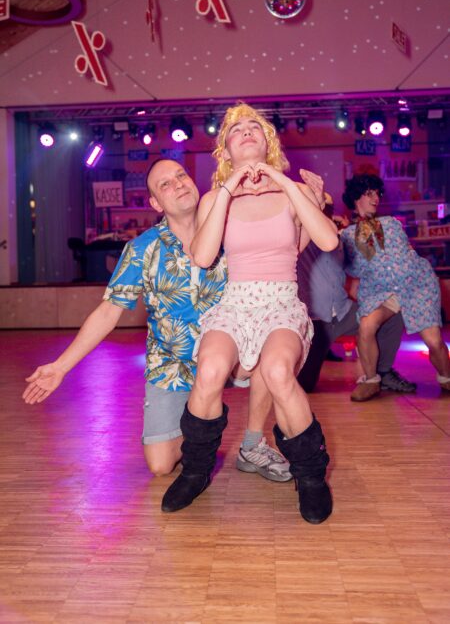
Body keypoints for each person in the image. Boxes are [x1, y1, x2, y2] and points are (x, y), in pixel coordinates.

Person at [22, 159, 290, 481]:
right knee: (160, 465)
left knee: (268, 349)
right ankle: (205, 424)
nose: (178, 184)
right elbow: (108, 312)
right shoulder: (142, 249)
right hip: (172, 366)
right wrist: (60, 367)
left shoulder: (231, 232)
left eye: (181, 175)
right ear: (155, 203)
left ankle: (252, 444)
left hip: (229, 354)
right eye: (165, 184)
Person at [161, 103, 339, 524]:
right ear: (225, 149)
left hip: (281, 301)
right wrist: (228, 188)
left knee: (277, 372)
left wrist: (285, 182)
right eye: (235, 129)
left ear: (267, 142)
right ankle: (196, 471)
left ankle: (311, 476)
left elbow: (328, 241)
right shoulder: (214, 199)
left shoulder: (293, 190)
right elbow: (203, 257)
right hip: (236, 302)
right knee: (209, 369)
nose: (245, 131)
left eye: (254, 127)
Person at [340, 173, 450, 401]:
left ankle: (446, 377)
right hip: (383, 291)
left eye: (377, 194)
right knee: (366, 326)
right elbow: (357, 269)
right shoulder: (347, 235)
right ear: (356, 197)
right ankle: (371, 381)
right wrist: (347, 234)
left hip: (416, 285)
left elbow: (402, 253)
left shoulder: (391, 223)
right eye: (369, 194)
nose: (376, 199)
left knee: (434, 341)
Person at [297, 197, 417, 396]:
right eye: (321, 206)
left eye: (329, 208)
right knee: (304, 386)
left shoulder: (342, 237)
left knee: (392, 316)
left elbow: (368, 262)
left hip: (343, 312)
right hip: (315, 321)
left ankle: (382, 372)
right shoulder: (300, 237)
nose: (326, 211)